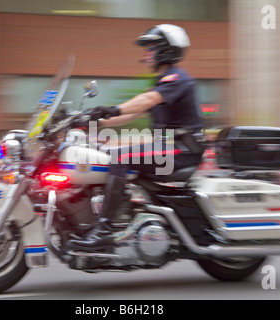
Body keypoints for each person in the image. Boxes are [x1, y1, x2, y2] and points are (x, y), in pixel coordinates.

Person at [68, 24, 204, 252]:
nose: (145, 54)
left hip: (182, 150)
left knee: (119, 157)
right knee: (104, 155)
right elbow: (131, 114)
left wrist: (111, 109)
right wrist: (87, 122)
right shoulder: (163, 83)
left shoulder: (178, 79)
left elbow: (145, 101)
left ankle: (105, 230)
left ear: (166, 50)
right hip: (168, 147)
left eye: (150, 48)